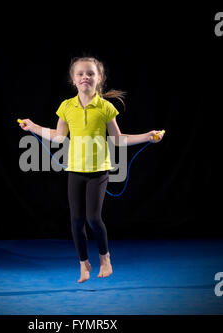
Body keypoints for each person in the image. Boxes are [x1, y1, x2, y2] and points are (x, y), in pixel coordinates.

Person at [19, 57, 164, 283]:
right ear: (73, 79)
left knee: (93, 218)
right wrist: (34, 127)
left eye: (90, 73)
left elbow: (117, 139)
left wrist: (147, 136)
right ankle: (83, 263)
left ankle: (105, 259)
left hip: (99, 172)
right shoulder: (66, 106)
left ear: (99, 79)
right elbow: (58, 136)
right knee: (76, 221)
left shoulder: (106, 107)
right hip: (75, 170)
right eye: (80, 74)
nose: (85, 77)